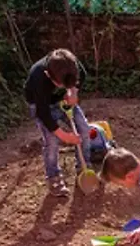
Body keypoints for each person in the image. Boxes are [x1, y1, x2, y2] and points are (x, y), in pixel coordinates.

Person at [24, 48, 91, 197]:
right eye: (61, 85)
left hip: (61, 101)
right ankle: (53, 177)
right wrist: (65, 136)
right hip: (41, 105)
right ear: (48, 75)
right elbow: (43, 113)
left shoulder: (70, 64)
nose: (62, 87)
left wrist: (72, 91)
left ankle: (84, 166)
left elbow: (83, 76)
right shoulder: (38, 77)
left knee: (84, 129)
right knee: (52, 141)